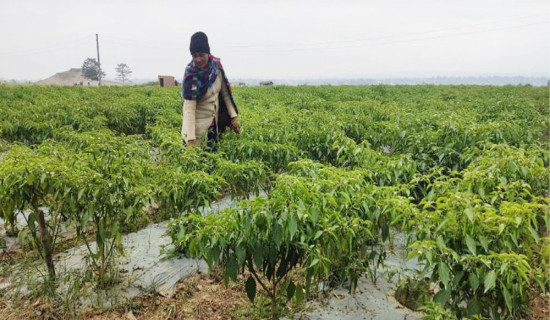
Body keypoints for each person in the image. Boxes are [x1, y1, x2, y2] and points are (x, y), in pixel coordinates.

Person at [181, 31, 241, 148]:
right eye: (194, 56)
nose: (198, 59)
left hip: (213, 125)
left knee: (212, 161)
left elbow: (225, 94)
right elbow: (189, 110)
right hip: (197, 130)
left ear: (208, 53)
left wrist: (233, 117)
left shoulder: (216, 68)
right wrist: (191, 140)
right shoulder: (191, 75)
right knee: (199, 162)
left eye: (201, 55)